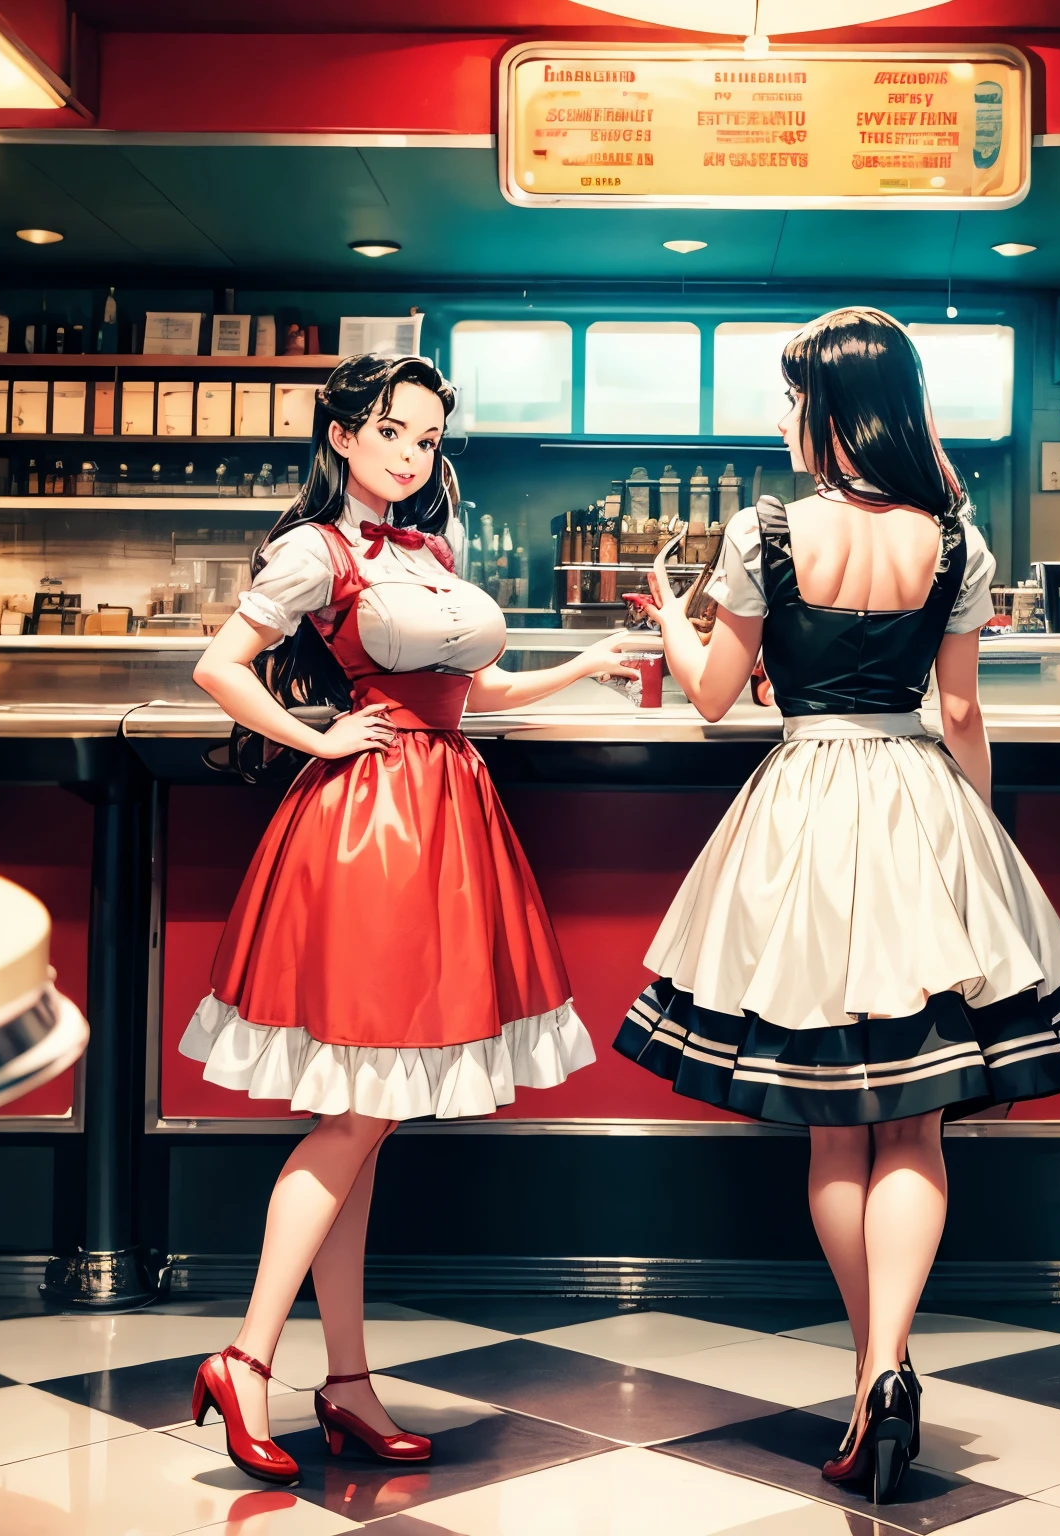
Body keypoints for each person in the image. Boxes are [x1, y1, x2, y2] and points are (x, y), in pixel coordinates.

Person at [618, 308, 1060, 1505]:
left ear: (830, 409)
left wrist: (671, 613)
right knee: (918, 1122)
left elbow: (713, 703)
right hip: (918, 802)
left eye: (795, 399)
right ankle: (888, 1368)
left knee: (836, 1124)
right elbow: (958, 712)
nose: (788, 419)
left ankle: (869, 1372)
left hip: (802, 804)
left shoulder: (764, 530)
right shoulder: (953, 537)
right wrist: (979, 842)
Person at [182, 355, 634, 1485]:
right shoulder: (314, 550)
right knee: (354, 1114)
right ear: (341, 434)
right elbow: (218, 666)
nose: (408, 452)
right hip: (367, 829)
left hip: (443, 814)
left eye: (427, 438)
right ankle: (245, 1358)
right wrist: (322, 738)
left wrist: (580, 666)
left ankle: (345, 1385)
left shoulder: (428, 552)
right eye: (390, 430)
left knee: (367, 1117)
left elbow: (469, 697)